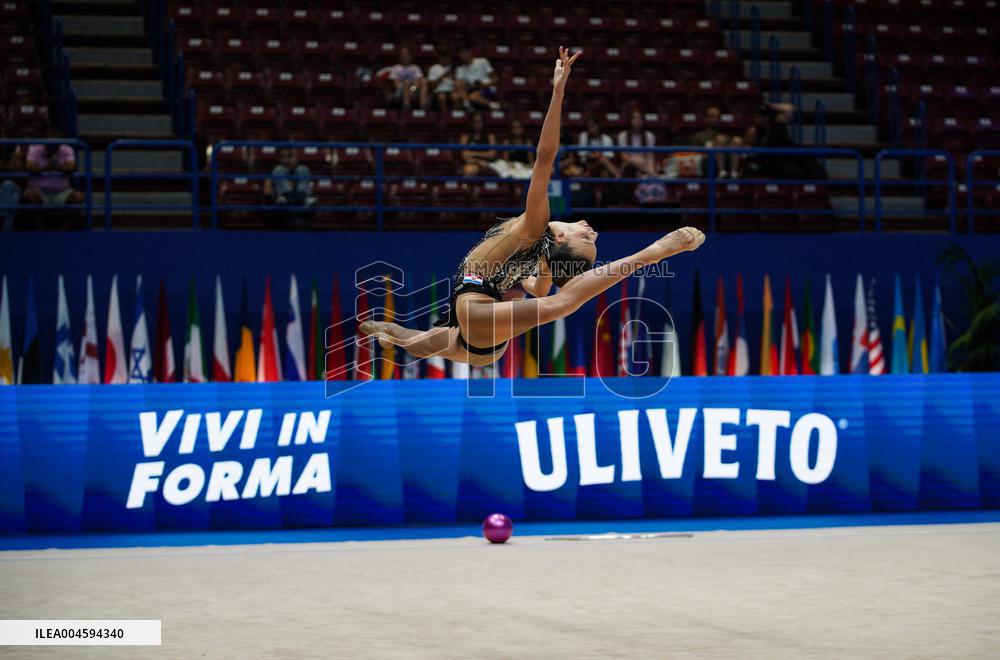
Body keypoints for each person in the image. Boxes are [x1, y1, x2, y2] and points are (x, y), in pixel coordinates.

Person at [360, 47, 705, 367]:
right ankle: (394, 334)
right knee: (428, 343)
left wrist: (558, 93)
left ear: (558, 241)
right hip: (480, 320)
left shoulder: (536, 227)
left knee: (552, 309)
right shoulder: (537, 244)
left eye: (586, 237)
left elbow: (544, 157)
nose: (591, 228)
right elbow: (538, 289)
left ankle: (654, 252)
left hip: (480, 312)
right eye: (590, 236)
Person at [743, 102, 827, 180]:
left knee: (814, 168)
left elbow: (790, 108)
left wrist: (769, 106)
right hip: (772, 160)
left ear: (768, 117)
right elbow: (747, 146)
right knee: (793, 172)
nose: (758, 119)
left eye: (763, 116)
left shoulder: (778, 123)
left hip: (788, 154)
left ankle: (825, 188)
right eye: (757, 116)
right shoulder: (754, 131)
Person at [22, 127, 85, 217]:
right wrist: (45, 168)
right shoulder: (35, 149)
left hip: (62, 191)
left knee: (79, 197)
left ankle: (64, 230)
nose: (53, 147)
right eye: (50, 144)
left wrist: (60, 167)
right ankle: (41, 229)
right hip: (38, 190)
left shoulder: (66, 149)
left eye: (56, 144)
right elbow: (29, 166)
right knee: (31, 197)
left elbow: (72, 166)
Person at [263, 148, 315, 229]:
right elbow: (267, 191)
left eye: (289, 156)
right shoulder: (275, 170)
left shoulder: (299, 170)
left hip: (299, 198)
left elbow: (309, 188)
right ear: (279, 158)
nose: (286, 159)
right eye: (283, 156)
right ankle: (285, 198)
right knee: (279, 170)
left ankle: (304, 199)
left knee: (303, 169)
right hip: (282, 202)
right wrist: (277, 190)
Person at [690, 106, 743, 178]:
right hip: (708, 167)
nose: (716, 119)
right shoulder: (698, 136)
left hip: (727, 167)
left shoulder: (726, 136)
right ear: (706, 119)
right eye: (712, 116)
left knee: (736, 140)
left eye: (718, 117)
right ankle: (721, 172)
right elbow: (694, 156)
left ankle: (732, 172)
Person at [454, 46, 502, 111]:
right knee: (456, 92)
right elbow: (461, 85)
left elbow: (495, 79)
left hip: (487, 87)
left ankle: (495, 106)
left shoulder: (482, 61)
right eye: (461, 54)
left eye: (465, 53)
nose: (463, 56)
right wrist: (472, 86)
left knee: (473, 97)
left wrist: (483, 85)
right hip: (472, 89)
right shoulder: (460, 69)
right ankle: (466, 103)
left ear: (469, 52)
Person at [577, 114, 621, 178]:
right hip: (587, 166)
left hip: (602, 166)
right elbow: (582, 156)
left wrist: (596, 156)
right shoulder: (583, 136)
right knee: (603, 160)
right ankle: (618, 175)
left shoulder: (606, 138)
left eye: (593, 125)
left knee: (604, 172)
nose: (591, 128)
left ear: (599, 125)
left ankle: (617, 176)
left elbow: (609, 157)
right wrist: (597, 155)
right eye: (589, 126)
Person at [616, 109, 658, 177]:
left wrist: (650, 167)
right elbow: (624, 157)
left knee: (642, 172)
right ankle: (654, 177)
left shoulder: (649, 136)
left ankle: (652, 177)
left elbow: (650, 158)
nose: (637, 121)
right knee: (636, 168)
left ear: (643, 121)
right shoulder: (623, 135)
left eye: (639, 118)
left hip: (645, 164)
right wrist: (637, 160)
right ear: (630, 120)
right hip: (629, 166)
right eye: (634, 118)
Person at [0, 130, 22, 231]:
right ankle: (5, 231)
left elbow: (17, 173)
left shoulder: (12, 150)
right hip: (8, 193)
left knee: (8, 184)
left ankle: (1, 215)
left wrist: (16, 159)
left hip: (12, 187)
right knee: (14, 198)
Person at [427, 48, 457, 113]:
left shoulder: (453, 68)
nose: (446, 59)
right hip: (438, 91)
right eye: (443, 57)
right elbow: (431, 86)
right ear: (440, 58)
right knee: (442, 97)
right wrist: (444, 75)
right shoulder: (434, 68)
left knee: (456, 97)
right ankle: (445, 117)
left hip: (452, 90)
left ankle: (455, 116)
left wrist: (453, 76)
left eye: (447, 57)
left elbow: (458, 83)